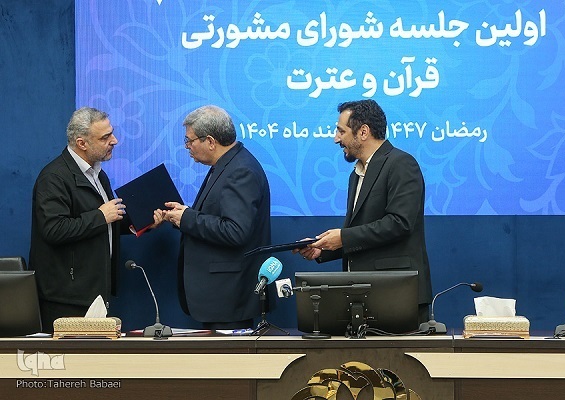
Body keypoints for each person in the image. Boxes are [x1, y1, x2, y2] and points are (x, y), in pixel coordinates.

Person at [295, 99, 432, 323]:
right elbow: (361, 233)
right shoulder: (356, 174)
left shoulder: (401, 163)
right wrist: (323, 248)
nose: (336, 138)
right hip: (364, 295)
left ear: (363, 132)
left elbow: (399, 223)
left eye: (341, 131)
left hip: (397, 294)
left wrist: (343, 237)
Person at [29, 107, 162, 333]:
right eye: (105, 137)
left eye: (112, 133)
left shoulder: (98, 174)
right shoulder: (53, 178)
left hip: (95, 291)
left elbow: (106, 221)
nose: (114, 140)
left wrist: (142, 222)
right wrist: (100, 215)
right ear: (82, 143)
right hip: (65, 297)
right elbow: (54, 229)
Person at [163, 105, 271, 330]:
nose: (187, 146)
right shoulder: (227, 164)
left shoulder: (240, 171)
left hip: (229, 296)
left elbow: (235, 231)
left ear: (211, 141)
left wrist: (187, 219)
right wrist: (181, 216)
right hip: (221, 296)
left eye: (190, 140)